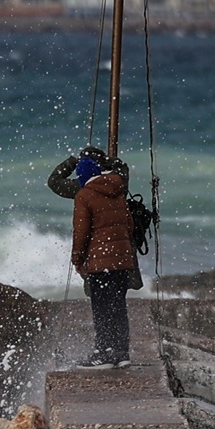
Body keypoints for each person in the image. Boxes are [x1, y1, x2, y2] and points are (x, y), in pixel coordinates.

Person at [59, 152, 137, 369]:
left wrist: (77, 258)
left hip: (100, 263)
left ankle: (102, 353)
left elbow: (81, 232)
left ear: (83, 177)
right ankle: (122, 353)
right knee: (119, 306)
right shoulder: (118, 191)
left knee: (101, 307)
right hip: (122, 262)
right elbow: (129, 226)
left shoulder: (84, 196)